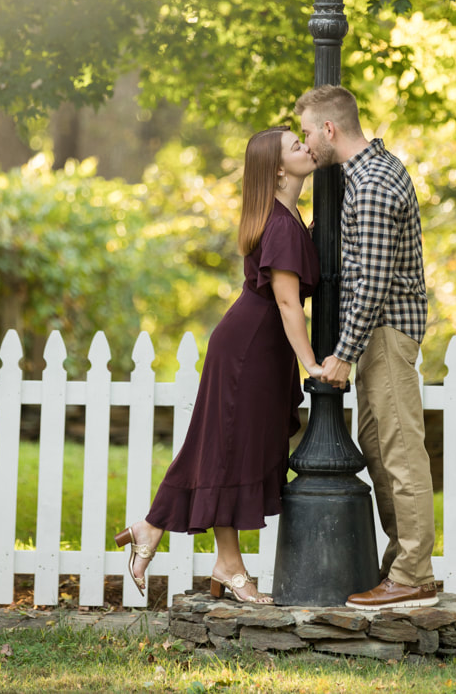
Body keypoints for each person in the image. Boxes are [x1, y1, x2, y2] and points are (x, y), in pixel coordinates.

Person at [115, 126, 321, 604]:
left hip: (256, 348)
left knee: (220, 448)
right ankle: (227, 564)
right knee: (227, 452)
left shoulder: (287, 216)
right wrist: (310, 362)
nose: (307, 148)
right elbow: (289, 305)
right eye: (296, 146)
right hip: (248, 349)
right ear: (276, 169)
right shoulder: (279, 224)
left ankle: (150, 527)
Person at [295, 84, 438, 611]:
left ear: (330, 129)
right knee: (380, 451)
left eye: (309, 132)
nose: (308, 143)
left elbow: (374, 281)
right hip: (376, 334)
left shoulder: (374, 184)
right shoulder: (364, 175)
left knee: (400, 453)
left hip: (383, 333)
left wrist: (344, 353)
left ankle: (414, 575)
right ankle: (402, 566)